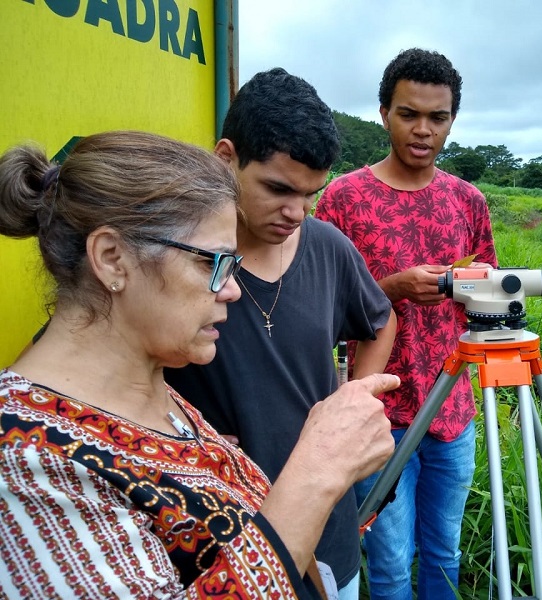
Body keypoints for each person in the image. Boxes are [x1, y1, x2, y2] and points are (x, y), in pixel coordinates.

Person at [0, 130, 399, 599]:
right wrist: (319, 470)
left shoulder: (155, 393)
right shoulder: (26, 461)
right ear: (112, 259)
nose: (231, 289)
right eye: (213, 264)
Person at [164, 68, 396, 599]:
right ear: (226, 159)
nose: (296, 212)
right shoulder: (173, 258)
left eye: (311, 194)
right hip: (222, 537)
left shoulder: (329, 248)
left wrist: (352, 399)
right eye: (277, 189)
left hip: (330, 534)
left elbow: (381, 321)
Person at [316, 48, 498, 599]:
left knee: (445, 550)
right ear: (383, 113)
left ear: (452, 121)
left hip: (453, 409)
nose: (423, 130)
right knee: (390, 559)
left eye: (437, 117)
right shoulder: (343, 199)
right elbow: (319, 306)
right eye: (408, 113)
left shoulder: (467, 201)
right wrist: (391, 289)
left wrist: (478, 287)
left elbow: (488, 303)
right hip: (377, 412)